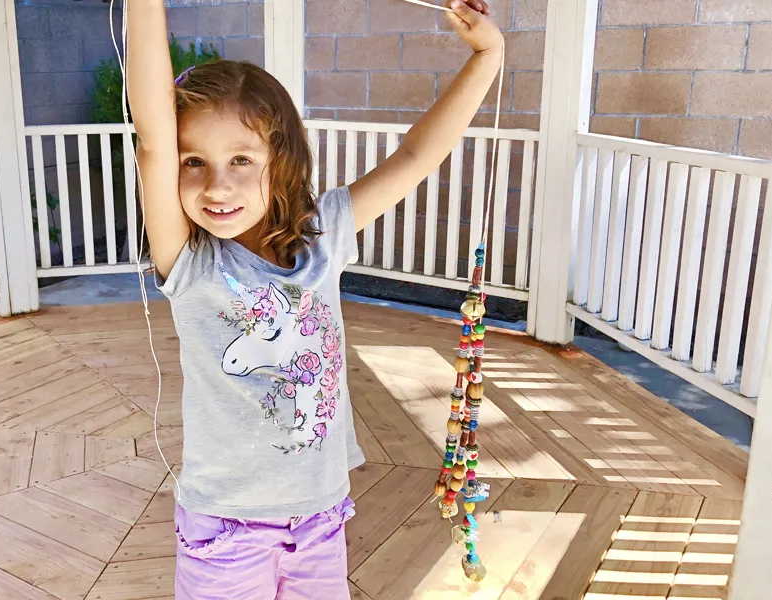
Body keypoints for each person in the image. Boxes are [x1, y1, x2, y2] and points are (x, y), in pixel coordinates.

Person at [126, 0, 503, 598]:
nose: (217, 185)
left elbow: (415, 155)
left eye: (241, 161)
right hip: (226, 530)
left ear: (281, 164)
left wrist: (488, 55)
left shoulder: (323, 237)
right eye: (193, 161)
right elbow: (152, 135)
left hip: (320, 519)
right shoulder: (192, 262)